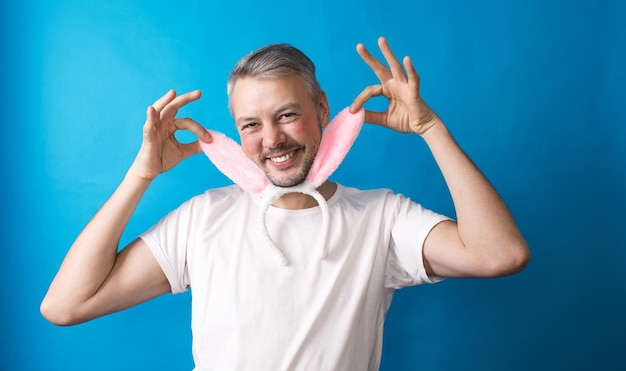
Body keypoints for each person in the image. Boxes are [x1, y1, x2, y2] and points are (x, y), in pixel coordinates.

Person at [41, 37, 529, 370]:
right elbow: (65, 305)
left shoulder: (383, 218)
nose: (271, 140)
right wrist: (141, 174)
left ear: (322, 110)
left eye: (288, 115)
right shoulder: (202, 218)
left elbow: (499, 255)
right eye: (251, 124)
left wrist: (431, 129)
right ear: (236, 134)